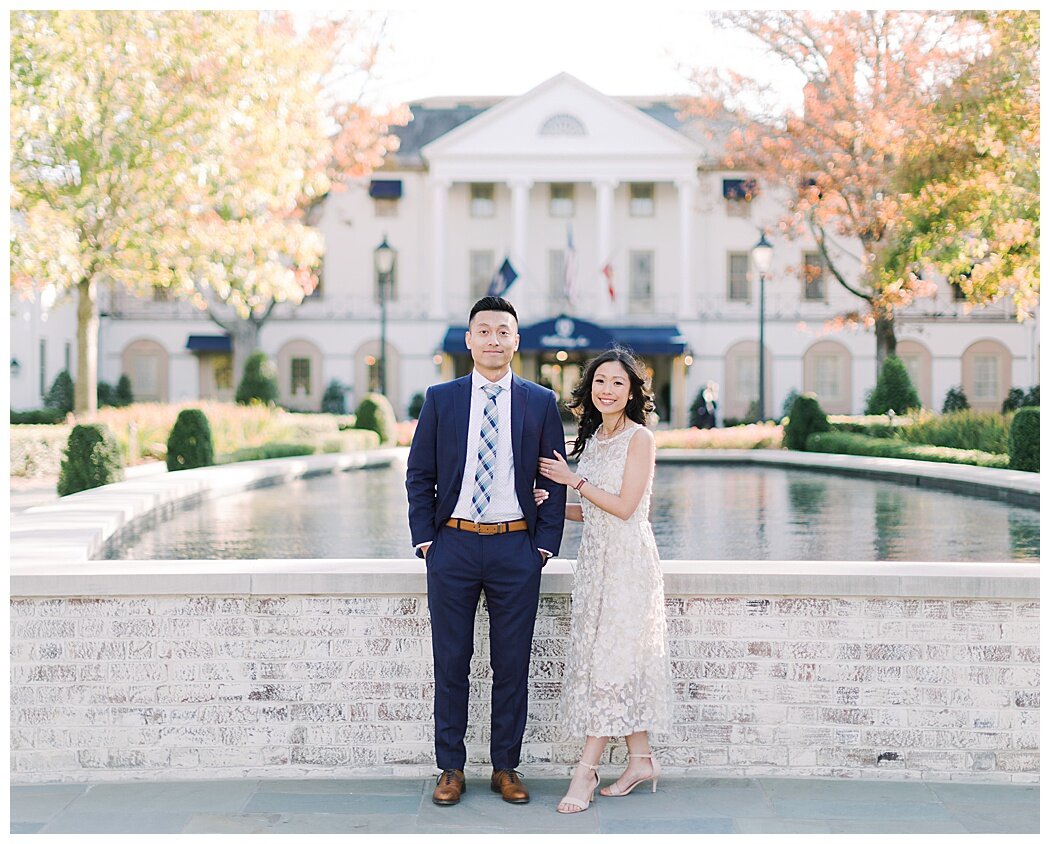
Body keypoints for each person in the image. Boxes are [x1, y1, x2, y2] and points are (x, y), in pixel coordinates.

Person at [406, 296, 567, 807]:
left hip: (515, 547)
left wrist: (542, 547)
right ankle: (450, 767)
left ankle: (505, 766)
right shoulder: (442, 398)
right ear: (470, 339)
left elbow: (555, 476)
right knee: (451, 660)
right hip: (451, 545)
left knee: (512, 663)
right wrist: (426, 540)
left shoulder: (540, 401)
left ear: (516, 341)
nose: (494, 339)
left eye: (504, 331)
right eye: (485, 330)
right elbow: (419, 474)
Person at [537, 346, 671, 815]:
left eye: (617, 383)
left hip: (628, 563)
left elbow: (625, 507)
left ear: (632, 390)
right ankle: (640, 760)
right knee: (614, 657)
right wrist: (550, 503)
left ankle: (586, 771)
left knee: (611, 659)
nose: (607, 390)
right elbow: (594, 511)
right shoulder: (594, 439)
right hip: (596, 562)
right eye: (599, 381)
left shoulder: (640, 439)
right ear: (588, 387)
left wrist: (571, 482)